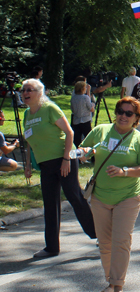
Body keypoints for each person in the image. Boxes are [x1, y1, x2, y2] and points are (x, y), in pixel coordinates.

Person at [80, 97, 140, 292]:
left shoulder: (139, 139)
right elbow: (83, 151)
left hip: (127, 196)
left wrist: (124, 172)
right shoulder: (101, 131)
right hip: (100, 195)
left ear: (136, 118)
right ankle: (110, 282)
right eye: (120, 111)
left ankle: (118, 288)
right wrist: (83, 154)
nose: (123, 116)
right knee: (104, 242)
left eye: (129, 113)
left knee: (121, 241)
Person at [21, 79, 96, 258]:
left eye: (29, 90)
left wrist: (65, 159)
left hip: (64, 160)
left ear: (40, 92)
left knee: (74, 196)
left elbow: (70, 132)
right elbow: (29, 141)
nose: (25, 93)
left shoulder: (49, 109)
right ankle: (51, 247)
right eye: (23, 90)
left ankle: (100, 235)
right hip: (45, 164)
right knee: (50, 203)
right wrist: (28, 165)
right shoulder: (26, 114)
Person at [71, 81, 95, 147]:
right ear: (82, 89)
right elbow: (91, 109)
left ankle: (77, 154)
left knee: (77, 140)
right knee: (89, 138)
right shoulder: (85, 98)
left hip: (76, 121)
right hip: (85, 120)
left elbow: (72, 109)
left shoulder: (73, 98)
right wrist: (93, 105)